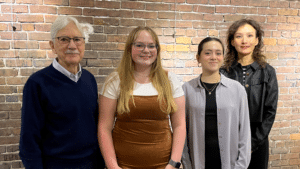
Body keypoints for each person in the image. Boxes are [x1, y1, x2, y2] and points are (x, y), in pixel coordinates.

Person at [19, 16, 105, 169]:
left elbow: (94, 126)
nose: (72, 45)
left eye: (77, 39)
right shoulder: (37, 83)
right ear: (53, 45)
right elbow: (29, 141)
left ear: (83, 44)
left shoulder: (89, 79)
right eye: (64, 39)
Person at [98, 26, 186, 169]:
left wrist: (173, 164)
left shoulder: (170, 80)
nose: (146, 50)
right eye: (139, 45)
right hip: (123, 165)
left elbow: (179, 125)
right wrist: (113, 166)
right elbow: (104, 127)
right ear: (129, 49)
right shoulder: (114, 81)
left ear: (157, 50)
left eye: (151, 46)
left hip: (164, 165)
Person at [181, 37, 251, 169]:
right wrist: (187, 164)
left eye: (218, 53)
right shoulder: (186, 89)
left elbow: (245, 133)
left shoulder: (237, 89)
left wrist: (241, 165)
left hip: (229, 163)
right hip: (198, 162)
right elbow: (182, 133)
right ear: (198, 58)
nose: (213, 57)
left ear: (222, 57)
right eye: (208, 53)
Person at [220, 19, 278, 169]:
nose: (244, 41)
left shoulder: (268, 72)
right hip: (228, 139)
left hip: (257, 141)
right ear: (232, 41)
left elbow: (270, 112)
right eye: (239, 36)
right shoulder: (222, 73)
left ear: (257, 40)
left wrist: (252, 143)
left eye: (250, 36)